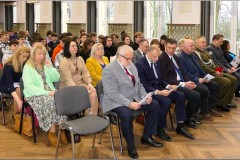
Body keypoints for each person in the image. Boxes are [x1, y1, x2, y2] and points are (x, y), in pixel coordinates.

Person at [102, 45, 162, 159]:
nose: (130, 61)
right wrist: (129, 104)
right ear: (119, 56)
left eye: (131, 58)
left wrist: (145, 96)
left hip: (132, 97)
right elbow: (112, 94)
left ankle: (147, 136)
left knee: (154, 104)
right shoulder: (109, 70)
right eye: (127, 58)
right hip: (115, 102)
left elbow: (139, 84)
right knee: (127, 115)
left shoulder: (132, 66)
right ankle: (131, 145)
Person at [136, 45, 195, 140]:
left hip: (160, 88)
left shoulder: (156, 61)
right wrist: (159, 92)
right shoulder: (140, 64)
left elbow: (160, 79)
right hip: (150, 92)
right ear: (148, 53)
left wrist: (169, 86)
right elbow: (143, 85)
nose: (157, 58)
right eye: (155, 56)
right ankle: (159, 128)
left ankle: (180, 125)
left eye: (158, 56)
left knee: (180, 96)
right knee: (166, 101)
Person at [22, 44, 67, 147]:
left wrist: (50, 67)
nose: (42, 56)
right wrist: (47, 93)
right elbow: (29, 87)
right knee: (51, 101)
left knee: (61, 100)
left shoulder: (45, 65)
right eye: (39, 54)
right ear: (33, 54)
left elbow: (56, 78)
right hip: (34, 95)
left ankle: (62, 128)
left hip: (50, 92)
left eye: (44, 54)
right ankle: (51, 132)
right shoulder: (28, 67)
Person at [158, 38, 202, 127]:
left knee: (202, 91)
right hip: (173, 85)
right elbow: (165, 78)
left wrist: (188, 81)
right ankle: (187, 118)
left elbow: (182, 71)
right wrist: (183, 84)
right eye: (169, 48)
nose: (171, 50)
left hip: (182, 82)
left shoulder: (175, 57)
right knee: (195, 95)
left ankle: (189, 116)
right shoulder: (161, 58)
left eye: (173, 48)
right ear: (165, 46)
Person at [178, 39, 221, 121]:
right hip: (190, 80)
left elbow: (199, 68)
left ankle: (210, 108)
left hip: (200, 78)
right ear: (184, 47)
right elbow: (185, 74)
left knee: (216, 86)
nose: (193, 47)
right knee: (204, 90)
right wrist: (197, 79)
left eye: (194, 45)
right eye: (191, 46)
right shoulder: (181, 57)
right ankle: (199, 112)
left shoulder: (193, 55)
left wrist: (205, 76)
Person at [194, 36, 237, 111]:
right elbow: (203, 67)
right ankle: (220, 103)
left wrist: (219, 70)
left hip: (215, 72)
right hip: (208, 74)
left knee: (233, 79)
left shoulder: (205, 51)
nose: (204, 44)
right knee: (226, 82)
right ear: (197, 43)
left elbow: (214, 63)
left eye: (205, 42)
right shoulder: (196, 53)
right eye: (202, 42)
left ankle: (226, 102)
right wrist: (215, 72)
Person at [59, 40, 99, 115]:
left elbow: (85, 72)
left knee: (93, 92)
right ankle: (87, 114)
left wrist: (89, 83)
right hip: (68, 87)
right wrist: (81, 91)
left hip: (81, 84)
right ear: (67, 48)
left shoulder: (80, 58)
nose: (76, 48)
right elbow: (68, 80)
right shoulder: (64, 62)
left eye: (76, 46)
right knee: (89, 93)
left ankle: (93, 116)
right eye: (73, 46)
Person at [0, 46, 30, 112]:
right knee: (19, 90)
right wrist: (18, 100)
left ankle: (26, 113)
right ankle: (17, 115)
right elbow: (10, 84)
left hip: (17, 84)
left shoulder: (24, 64)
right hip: (5, 85)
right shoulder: (9, 65)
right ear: (18, 55)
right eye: (23, 57)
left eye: (27, 57)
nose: (25, 59)